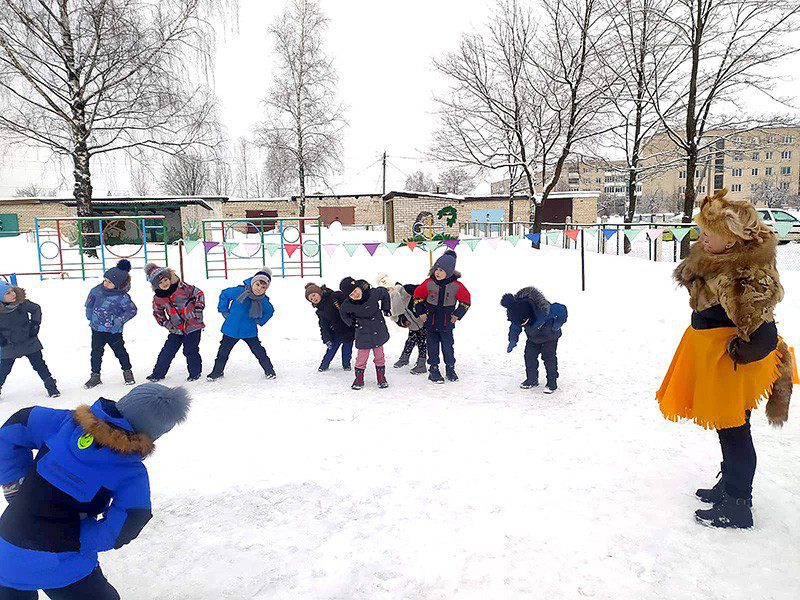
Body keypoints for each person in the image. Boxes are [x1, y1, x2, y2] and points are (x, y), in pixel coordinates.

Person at [657, 189, 796, 529]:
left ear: (731, 240)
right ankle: (730, 484)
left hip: (731, 365)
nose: (701, 237)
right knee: (727, 427)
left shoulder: (743, 275)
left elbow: (762, 331)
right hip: (715, 358)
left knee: (735, 430)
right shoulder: (715, 259)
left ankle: (738, 504)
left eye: (708, 233)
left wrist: (739, 352)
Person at [0, 383, 191, 599]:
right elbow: (128, 522)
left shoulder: (62, 422)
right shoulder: (130, 472)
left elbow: (13, 429)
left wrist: (14, 482)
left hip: (5, 550)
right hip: (64, 566)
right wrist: (78, 538)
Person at [413, 250, 471, 384]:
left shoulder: (456, 286)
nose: (438, 273)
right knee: (432, 348)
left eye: (441, 270)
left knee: (448, 348)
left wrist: (457, 314)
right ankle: (433, 370)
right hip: (431, 322)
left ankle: (450, 369)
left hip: (446, 323)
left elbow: (466, 301)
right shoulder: (428, 283)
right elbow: (417, 296)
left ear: (449, 272)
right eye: (436, 269)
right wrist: (421, 312)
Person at [207, 267, 276, 381]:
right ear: (253, 282)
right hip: (231, 328)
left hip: (249, 331)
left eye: (263, 287)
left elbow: (270, 311)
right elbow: (224, 294)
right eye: (258, 284)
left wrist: (260, 321)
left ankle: (269, 370)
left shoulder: (263, 300)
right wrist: (224, 310)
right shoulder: (239, 291)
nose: (259, 289)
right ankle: (217, 372)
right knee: (223, 352)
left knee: (259, 352)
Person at [144, 263, 205, 382]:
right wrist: (167, 324)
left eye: (165, 280)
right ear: (156, 286)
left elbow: (199, 294)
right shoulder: (158, 298)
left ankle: (195, 373)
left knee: (190, 350)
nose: (164, 283)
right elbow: (158, 312)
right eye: (160, 283)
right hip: (176, 328)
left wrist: (198, 310)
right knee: (167, 351)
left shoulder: (183, 288)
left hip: (193, 324)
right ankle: (158, 374)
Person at [501, 287, 568, 393]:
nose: (522, 325)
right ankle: (532, 379)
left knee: (549, 358)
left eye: (523, 323)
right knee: (529, 356)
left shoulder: (544, 310)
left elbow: (562, 310)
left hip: (550, 337)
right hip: (532, 338)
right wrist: (512, 340)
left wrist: (557, 324)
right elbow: (515, 327)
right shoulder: (518, 311)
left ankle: (552, 383)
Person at [84, 260, 138, 388]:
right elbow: (89, 303)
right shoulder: (96, 291)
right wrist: (89, 314)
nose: (105, 283)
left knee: (120, 352)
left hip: (114, 331)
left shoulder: (122, 297)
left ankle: (127, 371)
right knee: (96, 353)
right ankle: (95, 376)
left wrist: (119, 321)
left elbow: (132, 310)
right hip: (97, 329)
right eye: (105, 280)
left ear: (118, 285)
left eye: (110, 282)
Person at [0, 281, 59, 398]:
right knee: (4, 369)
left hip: (28, 339)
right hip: (9, 343)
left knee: (39, 364)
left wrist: (35, 324)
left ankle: (51, 386)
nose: (13, 294)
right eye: (8, 293)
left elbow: (36, 309)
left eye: (12, 291)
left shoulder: (22, 303)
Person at [338, 277, 391, 390]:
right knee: (361, 358)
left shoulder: (373, 294)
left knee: (379, 356)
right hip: (363, 331)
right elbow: (342, 312)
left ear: (359, 287)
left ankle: (381, 377)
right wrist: (352, 322)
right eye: (351, 294)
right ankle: (359, 379)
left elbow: (384, 292)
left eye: (355, 290)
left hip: (377, 328)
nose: (355, 294)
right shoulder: (348, 304)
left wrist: (386, 307)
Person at [376, 273, 427, 375]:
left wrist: (423, 310)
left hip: (423, 320)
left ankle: (421, 364)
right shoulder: (390, 300)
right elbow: (395, 316)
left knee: (421, 342)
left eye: (389, 288)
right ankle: (404, 358)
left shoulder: (405, 290)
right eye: (386, 290)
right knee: (410, 340)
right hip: (412, 325)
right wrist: (402, 322)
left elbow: (422, 290)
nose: (389, 292)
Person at [304, 283, 354, 372]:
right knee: (331, 349)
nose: (314, 299)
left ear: (319, 292)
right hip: (335, 332)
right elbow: (323, 326)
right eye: (311, 299)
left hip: (348, 328)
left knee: (347, 349)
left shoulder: (333, 296)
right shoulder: (320, 311)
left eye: (314, 295)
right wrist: (326, 338)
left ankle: (346, 364)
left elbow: (347, 300)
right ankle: (324, 365)